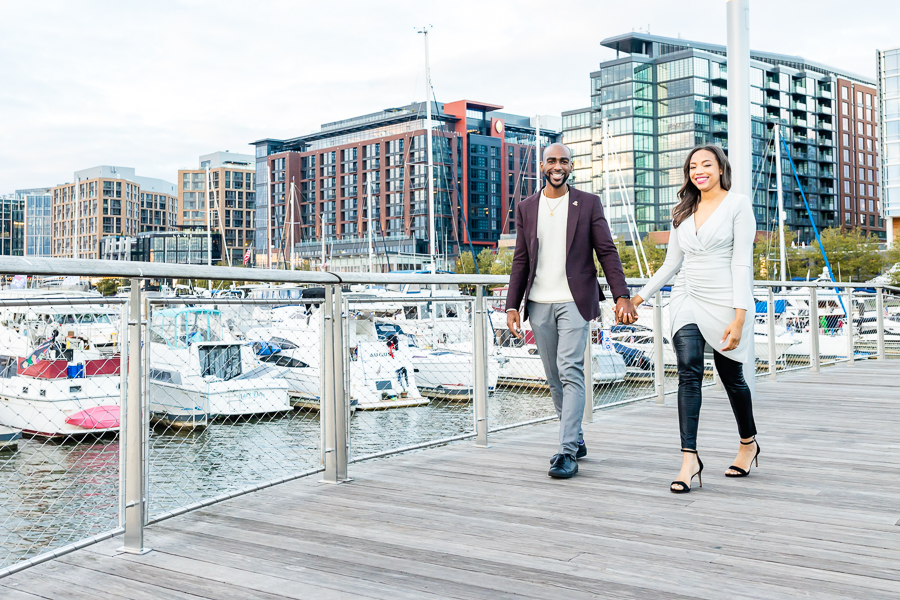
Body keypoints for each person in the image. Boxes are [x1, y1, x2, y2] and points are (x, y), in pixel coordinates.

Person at [632, 145, 760, 493]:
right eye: (692, 166)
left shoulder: (738, 204)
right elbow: (671, 264)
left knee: (731, 377)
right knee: (689, 371)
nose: (698, 170)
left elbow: (741, 263)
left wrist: (739, 316)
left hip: (725, 300)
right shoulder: (683, 210)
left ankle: (748, 444)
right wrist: (638, 297)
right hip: (687, 295)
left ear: (721, 169)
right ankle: (689, 459)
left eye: (706, 164)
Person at [506, 143, 637, 479]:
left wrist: (621, 295)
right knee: (553, 377)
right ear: (542, 165)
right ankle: (575, 438)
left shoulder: (588, 203)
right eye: (552, 160)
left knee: (571, 370)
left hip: (575, 300)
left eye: (563, 161)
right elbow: (521, 259)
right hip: (537, 302)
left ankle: (566, 452)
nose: (557, 166)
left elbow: (607, 251)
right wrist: (511, 305)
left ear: (571, 166)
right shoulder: (526, 207)